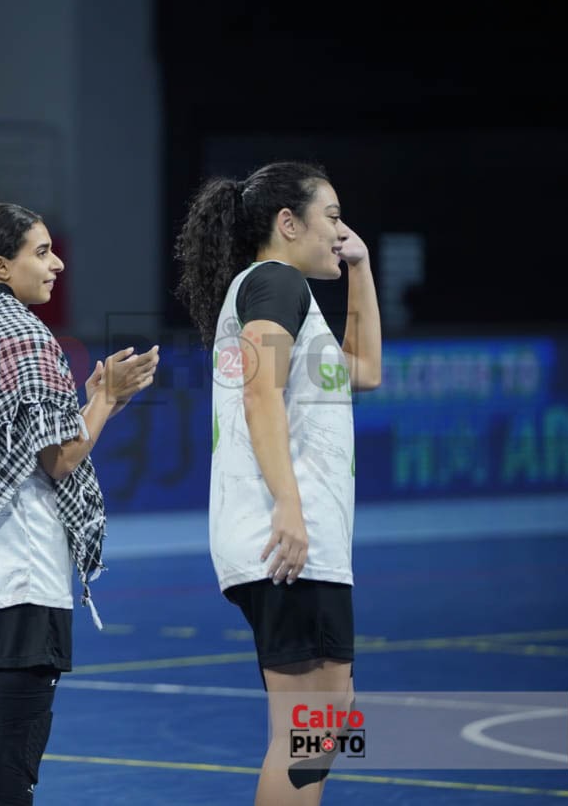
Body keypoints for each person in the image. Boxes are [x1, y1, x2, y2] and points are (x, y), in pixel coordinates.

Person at [0, 203, 158, 806]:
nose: (57, 263)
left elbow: (25, 437)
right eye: (41, 253)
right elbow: (59, 458)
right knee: (15, 747)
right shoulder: (24, 335)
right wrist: (107, 400)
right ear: (0, 266)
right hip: (20, 563)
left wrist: (91, 402)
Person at [174, 162, 381, 805]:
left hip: (303, 541)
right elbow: (260, 393)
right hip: (288, 538)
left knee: (322, 726)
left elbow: (366, 369)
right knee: (305, 732)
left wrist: (360, 269)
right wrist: (289, 506)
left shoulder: (289, 297)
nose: (341, 231)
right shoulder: (274, 282)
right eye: (332, 217)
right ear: (288, 224)